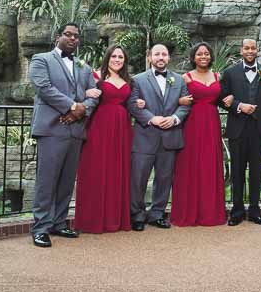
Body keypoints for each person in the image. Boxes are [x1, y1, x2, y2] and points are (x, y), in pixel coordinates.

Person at [28, 22, 98, 248]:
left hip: (75, 130)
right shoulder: (41, 59)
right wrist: (72, 106)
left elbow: (94, 95)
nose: (73, 39)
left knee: (67, 181)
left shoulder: (84, 67)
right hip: (51, 129)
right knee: (46, 180)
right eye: (68, 34)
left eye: (76, 36)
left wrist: (81, 111)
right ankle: (40, 227)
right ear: (57, 36)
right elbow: (44, 88)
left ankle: (59, 222)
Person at [127, 44, 190, 231]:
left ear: (168, 58)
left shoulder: (179, 80)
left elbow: (185, 104)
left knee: (164, 178)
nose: (160, 57)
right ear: (149, 57)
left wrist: (175, 118)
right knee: (138, 179)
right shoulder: (137, 80)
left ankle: (157, 214)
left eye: (164, 54)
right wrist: (152, 118)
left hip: (170, 136)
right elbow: (132, 104)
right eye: (157, 54)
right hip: (145, 137)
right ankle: (137, 215)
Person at [219, 39, 261, 226]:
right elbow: (221, 99)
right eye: (246, 48)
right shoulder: (230, 73)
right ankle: (237, 212)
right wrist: (239, 105)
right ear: (241, 50)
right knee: (237, 172)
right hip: (237, 130)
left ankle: (255, 211)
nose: (250, 51)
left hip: (259, 130)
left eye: (253, 48)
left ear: (257, 50)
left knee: (256, 172)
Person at [73, 45, 134, 234]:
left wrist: (139, 102)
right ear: (108, 57)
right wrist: (85, 94)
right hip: (99, 127)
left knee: (117, 170)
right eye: (114, 56)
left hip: (122, 129)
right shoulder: (96, 76)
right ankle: (92, 219)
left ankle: (115, 218)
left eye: (121, 57)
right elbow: (77, 92)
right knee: (96, 169)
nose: (117, 60)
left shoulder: (128, 80)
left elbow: (131, 102)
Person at [169, 43, 227, 227]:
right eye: (200, 54)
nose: (203, 56)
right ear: (193, 57)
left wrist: (231, 100)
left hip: (212, 123)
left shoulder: (217, 76)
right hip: (192, 124)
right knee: (190, 164)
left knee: (209, 164)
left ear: (211, 57)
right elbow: (171, 99)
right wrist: (179, 100)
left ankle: (210, 212)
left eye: (206, 54)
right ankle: (188, 211)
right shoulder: (185, 77)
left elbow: (223, 99)